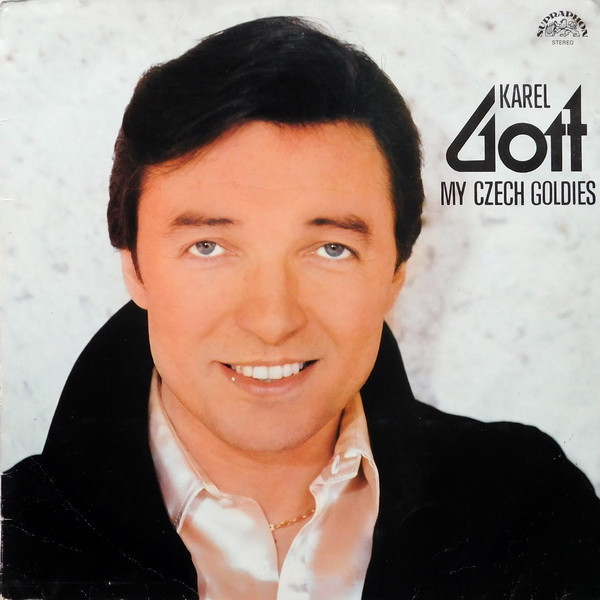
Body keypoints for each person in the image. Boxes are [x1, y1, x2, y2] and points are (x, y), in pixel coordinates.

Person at [2, 16, 599, 600]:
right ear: (134, 267)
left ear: (396, 272)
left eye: (332, 249)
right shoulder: (17, 538)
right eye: (208, 247)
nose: (272, 321)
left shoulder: (532, 511)